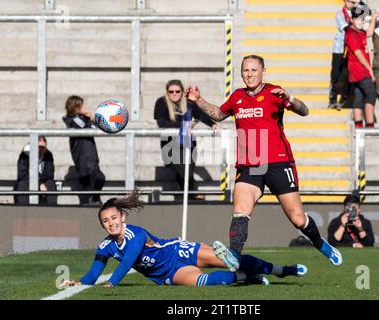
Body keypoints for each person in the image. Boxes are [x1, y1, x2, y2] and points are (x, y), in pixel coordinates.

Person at [185, 55, 342, 271]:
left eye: (254, 70)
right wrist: (198, 100)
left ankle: (319, 242)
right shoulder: (237, 97)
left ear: (263, 71)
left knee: (297, 219)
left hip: (279, 163)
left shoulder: (274, 92)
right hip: (249, 165)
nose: (249, 74)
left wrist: (291, 97)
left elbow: (304, 111)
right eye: (245, 70)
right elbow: (219, 114)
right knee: (240, 210)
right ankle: (234, 256)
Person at [64, 189, 308, 287]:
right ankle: (249, 279)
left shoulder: (135, 234)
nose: (111, 223)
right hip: (167, 273)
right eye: (105, 221)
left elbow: (128, 261)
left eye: (114, 218)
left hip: (179, 251)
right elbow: (93, 273)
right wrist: (80, 282)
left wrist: (114, 282)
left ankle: (281, 269)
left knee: (230, 259)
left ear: (122, 217)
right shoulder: (105, 246)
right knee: (206, 283)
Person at [154, 79, 219, 200]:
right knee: (183, 171)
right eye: (171, 91)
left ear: (182, 91)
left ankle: (184, 200)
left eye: (177, 91)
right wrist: (184, 125)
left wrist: (212, 124)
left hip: (188, 143)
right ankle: (193, 193)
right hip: (170, 144)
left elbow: (200, 114)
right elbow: (162, 123)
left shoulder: (188, 103)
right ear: (167, 92)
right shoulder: (161, 102)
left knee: (187, 169)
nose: (174, 94)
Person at [63, 95, 106, 205]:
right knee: (91, 180)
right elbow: (88, 128)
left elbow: (94, 128)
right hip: (83, 156)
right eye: (81, 106)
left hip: (90, 155)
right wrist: (91, 120)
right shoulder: (73, 119)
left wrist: (91, 119)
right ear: (75, 107)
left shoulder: (82, 119)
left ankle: (93, 199)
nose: (83, 107)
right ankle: (89, 201)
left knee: (95, 179)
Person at [345, 4, 379, 128]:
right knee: (371, 95)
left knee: (359, 98)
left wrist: (374, 18)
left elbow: (369, 32)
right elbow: (358, 54)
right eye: (358, 19)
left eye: (362, 19)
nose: (361, 22)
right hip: (360, 71)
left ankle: (358, 127)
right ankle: (370, 127)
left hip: (358, 72)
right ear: (352, 19)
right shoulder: (351, 33)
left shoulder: (358, 31)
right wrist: (370, 70)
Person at [328, 0, 358, 110]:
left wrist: (360, 3)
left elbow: (367, 11)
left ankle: (343, 99)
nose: (352, 3)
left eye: (354, 1)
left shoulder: (357, 11)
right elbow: (346, 28)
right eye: (350, 1)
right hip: (339, 48)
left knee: (348, 74)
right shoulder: (340, 14)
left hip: (351, 48)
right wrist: (356, 21)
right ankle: (333, 98)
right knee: (336, 74)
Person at [14, 136, 57, 205]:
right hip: (28, 180)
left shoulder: (48, 155)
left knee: (50, 184)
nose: (41, 149)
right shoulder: (24, 155)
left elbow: (49, 173)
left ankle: (51, 210)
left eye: (43, 147)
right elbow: (22, 174)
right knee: (22, 184)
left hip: (43, 180)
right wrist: (39, 183)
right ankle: (23, 210)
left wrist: (40, 182)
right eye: (39, 147)